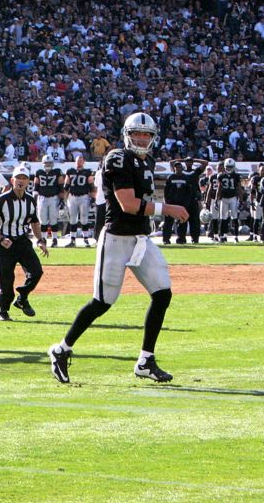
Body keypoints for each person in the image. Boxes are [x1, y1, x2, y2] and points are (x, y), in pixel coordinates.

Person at [48, 113, 189, 385]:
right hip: (116, 239)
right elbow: (128, 204)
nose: (142, 139)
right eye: (138, 134)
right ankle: (61, 350)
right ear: (127, 134)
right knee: (102, 303)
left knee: (162, 293)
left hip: (140, 239)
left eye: (147, 135)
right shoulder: (117, 157)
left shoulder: (146, 160)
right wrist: (167, 209)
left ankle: (145, 360)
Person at [0, 165, 48, 321]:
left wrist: (40, 240)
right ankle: (2, 311)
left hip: (22, 240)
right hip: (4, 242)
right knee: (6, 279)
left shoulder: (31, 201)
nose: (21, 181)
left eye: (24, 178)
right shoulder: (2, 200)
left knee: (36, 271)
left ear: (28, 182)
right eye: (18, 178)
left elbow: (34, 222)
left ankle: (22, 297)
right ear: (12, 180)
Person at [32, 155, 66, 246]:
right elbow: (36, 187)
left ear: (53, 163)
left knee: (53, 219)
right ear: (43, 164)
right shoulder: (39, 172)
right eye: (46, 163)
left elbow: (61, 187)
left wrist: (62, 199)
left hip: (54, 198)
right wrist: (34, 199)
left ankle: (55, 239)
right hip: (42, 198)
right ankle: (43, 239)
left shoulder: (57, 172)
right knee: (43, 220)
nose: (47, 165)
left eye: (49, 163)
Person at [206, 158, 242, 242]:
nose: (229, 168)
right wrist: (216, 200)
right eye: (228, 167)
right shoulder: (220, 176)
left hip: (233, 198)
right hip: (223, 199)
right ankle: (222, 236)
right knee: (223, 218)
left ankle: (236, 237)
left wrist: (241, 200)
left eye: (230, 167)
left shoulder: (236, 176)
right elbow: (219, 189)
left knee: (235, 217)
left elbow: (239, 189)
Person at [63, 155, 94, 247]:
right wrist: (64, 198)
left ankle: (86, 239)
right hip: (72, 197)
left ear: (83, 161)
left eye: (80, 160)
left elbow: (91, 186)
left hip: (84, 196)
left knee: (84, 218)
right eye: (77, 160)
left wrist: (93, 198)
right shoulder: (70, 171)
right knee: (73, 218)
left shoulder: (88, 172)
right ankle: (72, 240)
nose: (79, 162)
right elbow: (66, 186)